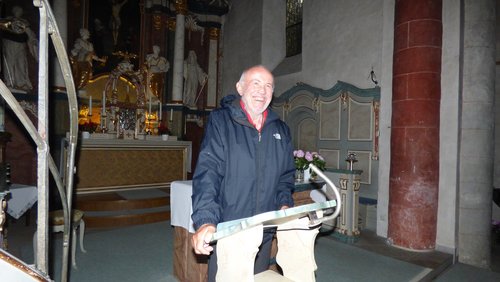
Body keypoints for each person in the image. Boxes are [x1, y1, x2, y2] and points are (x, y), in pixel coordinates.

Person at [191, 65, 296, 281]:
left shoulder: (280, 129)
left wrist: (284, 204)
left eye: (268, 85)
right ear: (240, 87)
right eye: (255, 83)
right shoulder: (221, 121)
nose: (262, 90)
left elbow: (285, 176)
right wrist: (206, 221)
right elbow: (208, 172)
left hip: (264, 230)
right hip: (230, 228)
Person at [1, 6, 38, 91]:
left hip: (21, 45)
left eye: (20, 11)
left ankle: (21, 83)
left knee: (21, 64)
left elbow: (30, 33)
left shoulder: (24, 22)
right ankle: (9, 83)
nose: (18, 12)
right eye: (17, 10)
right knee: (9, 63)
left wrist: (33, 40)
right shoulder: (7, 20)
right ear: (14, 11)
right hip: (9, 44)